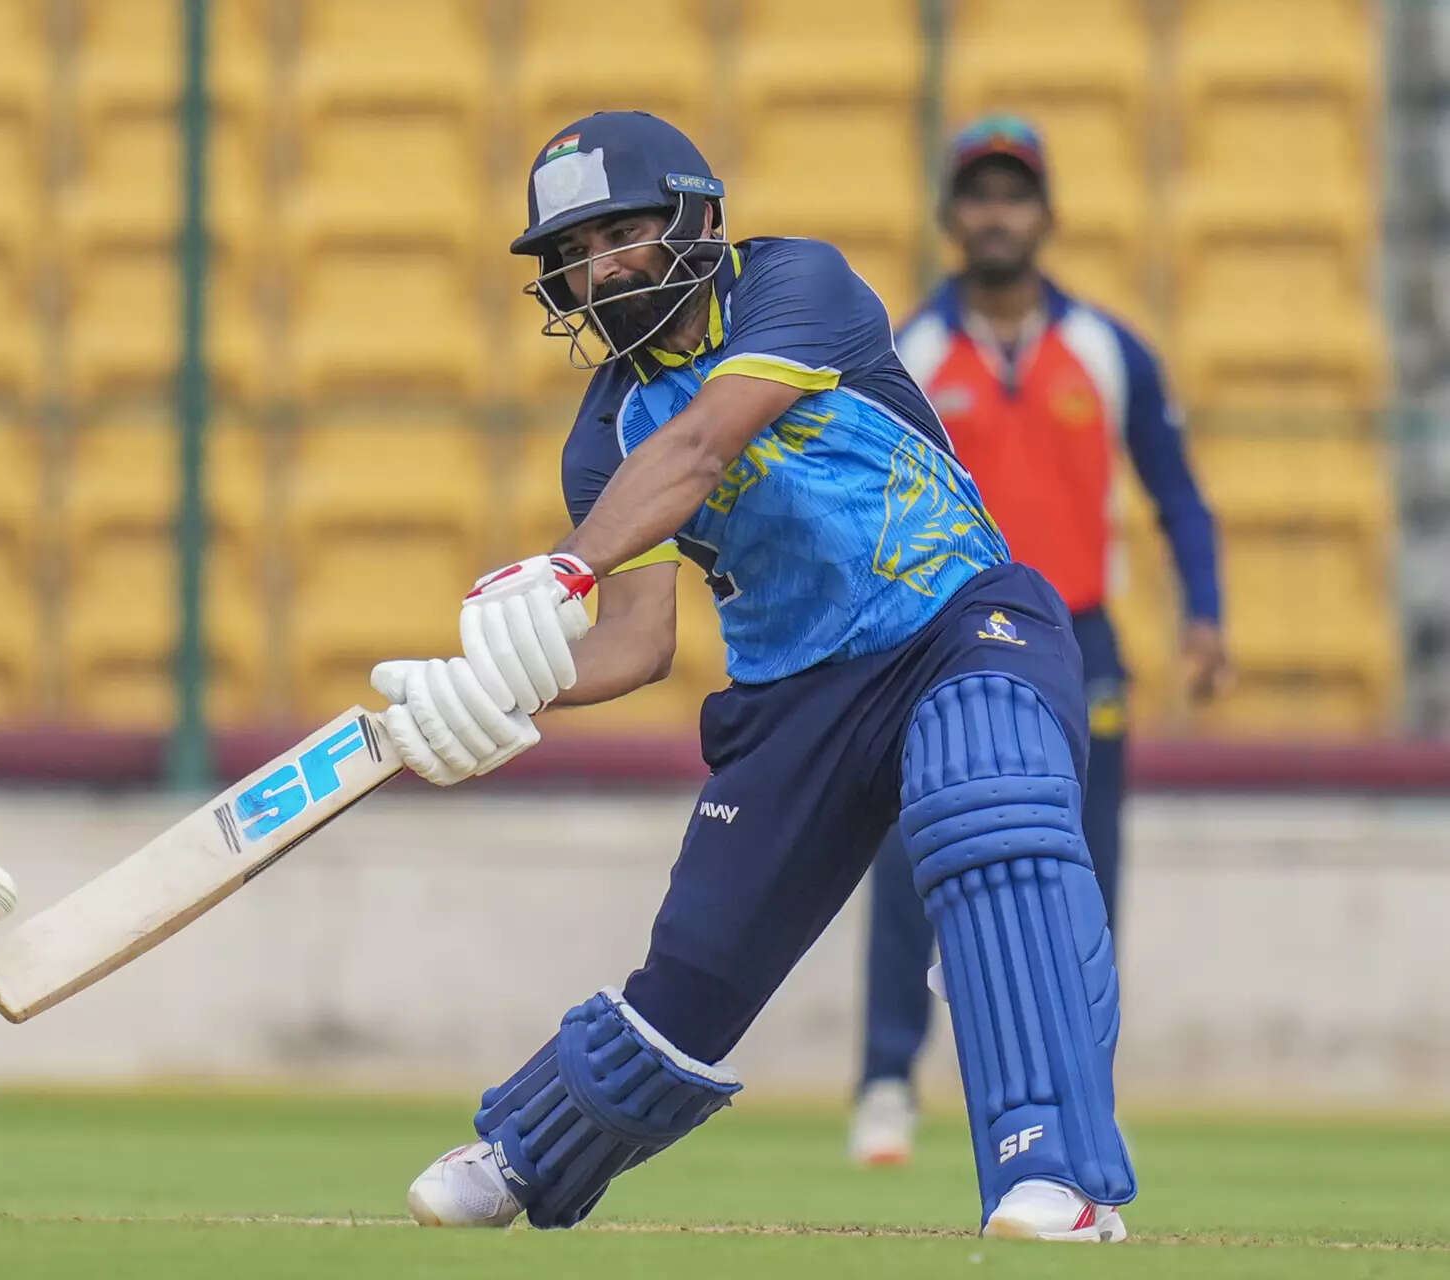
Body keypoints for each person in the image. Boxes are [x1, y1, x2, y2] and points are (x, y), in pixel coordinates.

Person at [365, 110, 1136, 1242]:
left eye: (620, 232)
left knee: (989, 811)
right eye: (572, 251)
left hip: (956, 623)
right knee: (694, 977)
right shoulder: (603, 436)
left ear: (697, 219)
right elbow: (636, 642)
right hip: (794, 700)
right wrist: (496, 688)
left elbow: (704, 446)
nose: (598, 267)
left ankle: (1057, 1179)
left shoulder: (794, 284)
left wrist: (569, 563)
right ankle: (526, 1149)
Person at [848, 115, 1224, 1167]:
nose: (996, 215)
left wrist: (1204, 612)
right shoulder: (909, 354)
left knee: (1080, 869)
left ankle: (1080, 1082)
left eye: (1014, 196)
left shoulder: (1107, 351)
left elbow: (1177, 494)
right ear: (949, 215)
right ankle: (886, 1079)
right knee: (910, 856)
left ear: (1046, 215)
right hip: (936, 637)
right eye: (978, 195)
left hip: (1076, 638)